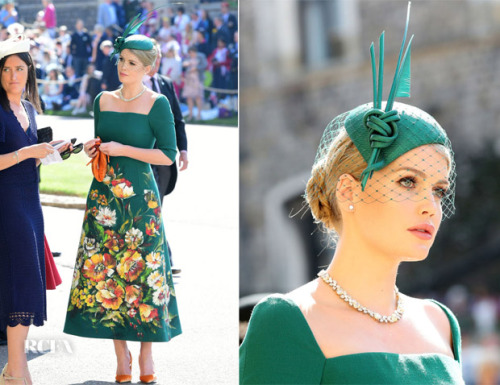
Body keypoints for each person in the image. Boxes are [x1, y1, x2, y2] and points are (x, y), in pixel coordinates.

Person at [240, 4, 465, 384]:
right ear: (349, 190)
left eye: (439, 190)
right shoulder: (287, 320)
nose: (431, 207)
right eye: (408, 182)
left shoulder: (441, 322)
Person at [63, 28, 182, 384]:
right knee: (107, 271)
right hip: (103, 197)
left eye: (131, 62)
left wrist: (125, 149)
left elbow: (168, 154)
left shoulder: (157, 103)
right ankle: (121, 354)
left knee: (145, 273)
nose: (123, 67)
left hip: (141, 200)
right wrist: (93, 147)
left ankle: (146, 352)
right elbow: (102, 143)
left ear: (148, 68)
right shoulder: (102, 99)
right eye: (121, 60)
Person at [0, 34, 69, 385]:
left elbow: (30, 156)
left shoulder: (28, 108)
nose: (14, 75)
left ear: (30, 72)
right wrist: (28, 153)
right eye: (7, 69)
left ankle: (14, 368)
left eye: (20, 68)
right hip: (6, 206)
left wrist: (53, 149)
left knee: (28, 283)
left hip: (30, 203)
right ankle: (17, 370)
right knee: (20, 281)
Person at [146, 39, 188, 275]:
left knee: (156, 207)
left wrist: (183, 149)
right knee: (152, 208)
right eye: (153, 58)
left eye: (159, 58)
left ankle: (161, 257)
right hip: (141, 157)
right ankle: (164, 258)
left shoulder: (166, 84)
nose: (157, 63)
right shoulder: (132, 86)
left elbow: (177, 120)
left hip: (165, 158)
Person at [182, 45, 207, 121]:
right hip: (189, 79)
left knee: (198, 97)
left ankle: (199, 115)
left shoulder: (201, 56)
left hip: (197, 78)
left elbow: (205, 65)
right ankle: (190, 115)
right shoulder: (188, 57)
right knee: (189, 97)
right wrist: (185, 64)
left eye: (192, 52)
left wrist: (196, 68)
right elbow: (183, 64)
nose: (191, 54)